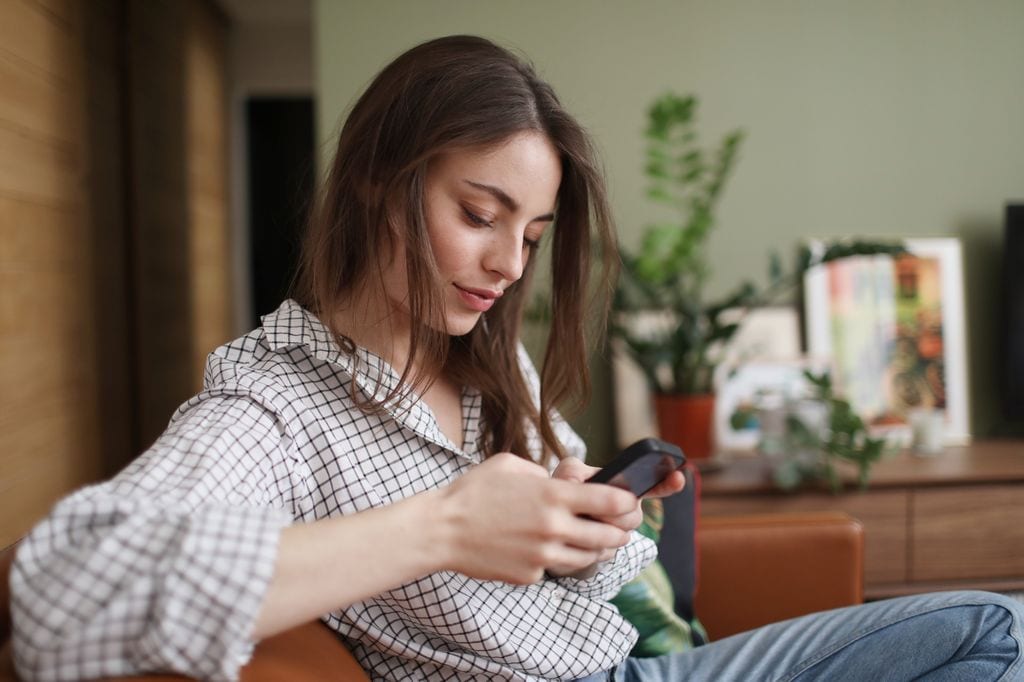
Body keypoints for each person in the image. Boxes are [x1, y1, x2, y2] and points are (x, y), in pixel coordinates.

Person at [9, 35, 1023, 682]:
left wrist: (584, 526)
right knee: (996, 635)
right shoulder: (272, 407)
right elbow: (59, 600)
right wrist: (445, 526)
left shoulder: (486, 362)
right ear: (376, 185)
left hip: (630, 664)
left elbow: (603, 578)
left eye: (530, 235)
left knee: (994, 633)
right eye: (478, 214)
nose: (507, 265)